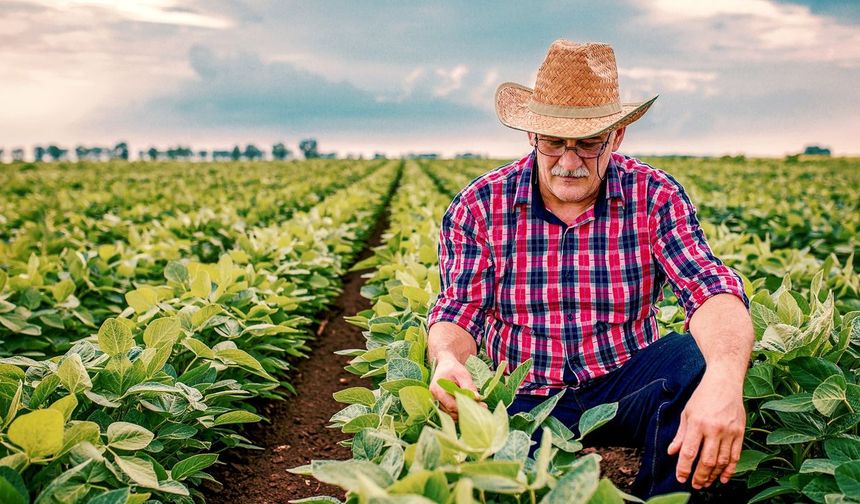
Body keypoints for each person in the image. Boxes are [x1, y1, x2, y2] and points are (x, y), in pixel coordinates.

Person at [426, 39, 754, 499]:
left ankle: (666, 497)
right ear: (531, 137)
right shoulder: (481, 204)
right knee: (505, 479)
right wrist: (446, 359)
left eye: (588, 145)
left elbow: (708, 286)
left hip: (623, 379)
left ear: (617, 138)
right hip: (526, 390)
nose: (568, 162)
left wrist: (724, 377)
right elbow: (459, 309)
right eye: (554, 143)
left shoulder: (653, 194)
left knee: (694, 364)